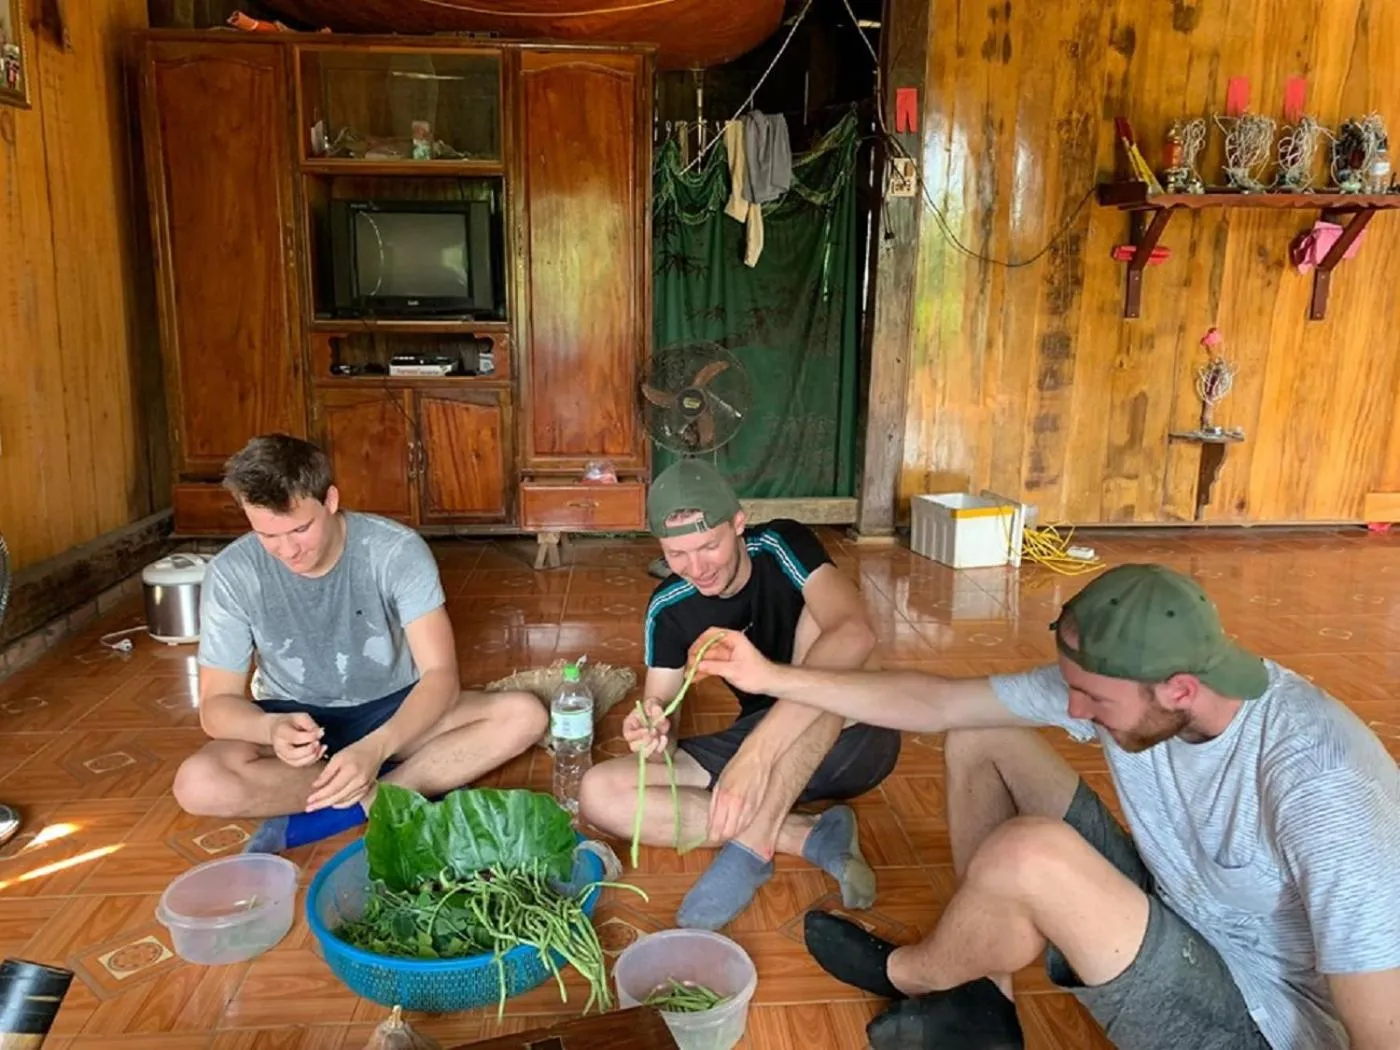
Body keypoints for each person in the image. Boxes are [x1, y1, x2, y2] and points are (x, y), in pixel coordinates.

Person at [691, 564, 1400, 1050]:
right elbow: (937, 703)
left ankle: (911, 972)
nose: (1075, 711)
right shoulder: (1136, 685)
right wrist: (772, 677)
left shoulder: (1322, 787)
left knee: (1029, 854)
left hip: (1258, 1017)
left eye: (1093, 700)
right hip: (1181, 911)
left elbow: (1382, 1030)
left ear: (1180, 689)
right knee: (982, 733)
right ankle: (984, 1005)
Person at [173, 434, 547, 853]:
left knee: (524, 715)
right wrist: (270, 728)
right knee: (198, 783)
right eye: (267, 534)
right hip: (297, 725)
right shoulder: (232, 573)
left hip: (397, 712)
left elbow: (441, 676)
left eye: (300, 529)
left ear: (330, 500)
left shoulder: (394, 550)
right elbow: (216, 707)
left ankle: (356, 803)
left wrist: (377, 747)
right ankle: (403, 787)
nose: (288, 550)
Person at [578, 458, 901, 930]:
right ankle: (805, 834)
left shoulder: (781, 544)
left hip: (855, 738)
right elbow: (662, 725)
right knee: (599, 792)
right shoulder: (668, 608)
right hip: (761, 747)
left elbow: (856, 635)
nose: (697, 569)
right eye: (676, 554)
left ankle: (753, 845)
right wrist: (652, 728)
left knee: (826, 630)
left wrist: (756, 757)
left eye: (709, 546)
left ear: (738, 524)